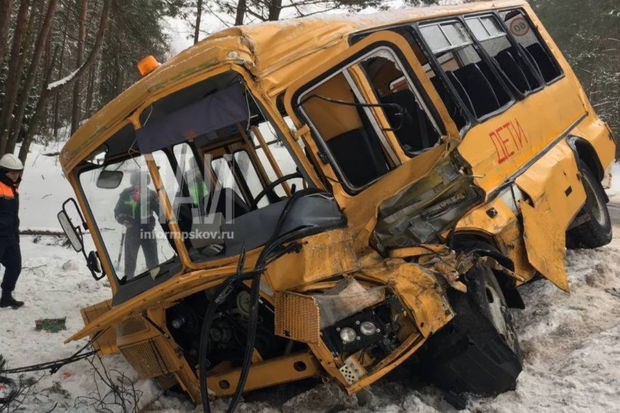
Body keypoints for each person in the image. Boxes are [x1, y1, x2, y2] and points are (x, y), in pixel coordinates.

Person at [114, 170, 160, 278]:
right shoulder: (126, 194)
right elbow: (118, 211)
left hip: (148, 232)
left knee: (153, 263)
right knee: (130, 265)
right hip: (132, 232)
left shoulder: (152, 195)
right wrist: (124, 220)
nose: (139, 185)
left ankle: (157, 282)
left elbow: (161, 212)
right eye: (137, 181)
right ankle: (129, 283)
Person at [0, 153, 24, 308]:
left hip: (10, 236)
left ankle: (6, 297)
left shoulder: (13, 189)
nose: (15, 176)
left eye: (17, 173)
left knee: (15, 265)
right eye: (12, 173)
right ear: (3, 172)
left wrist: (15, 235)